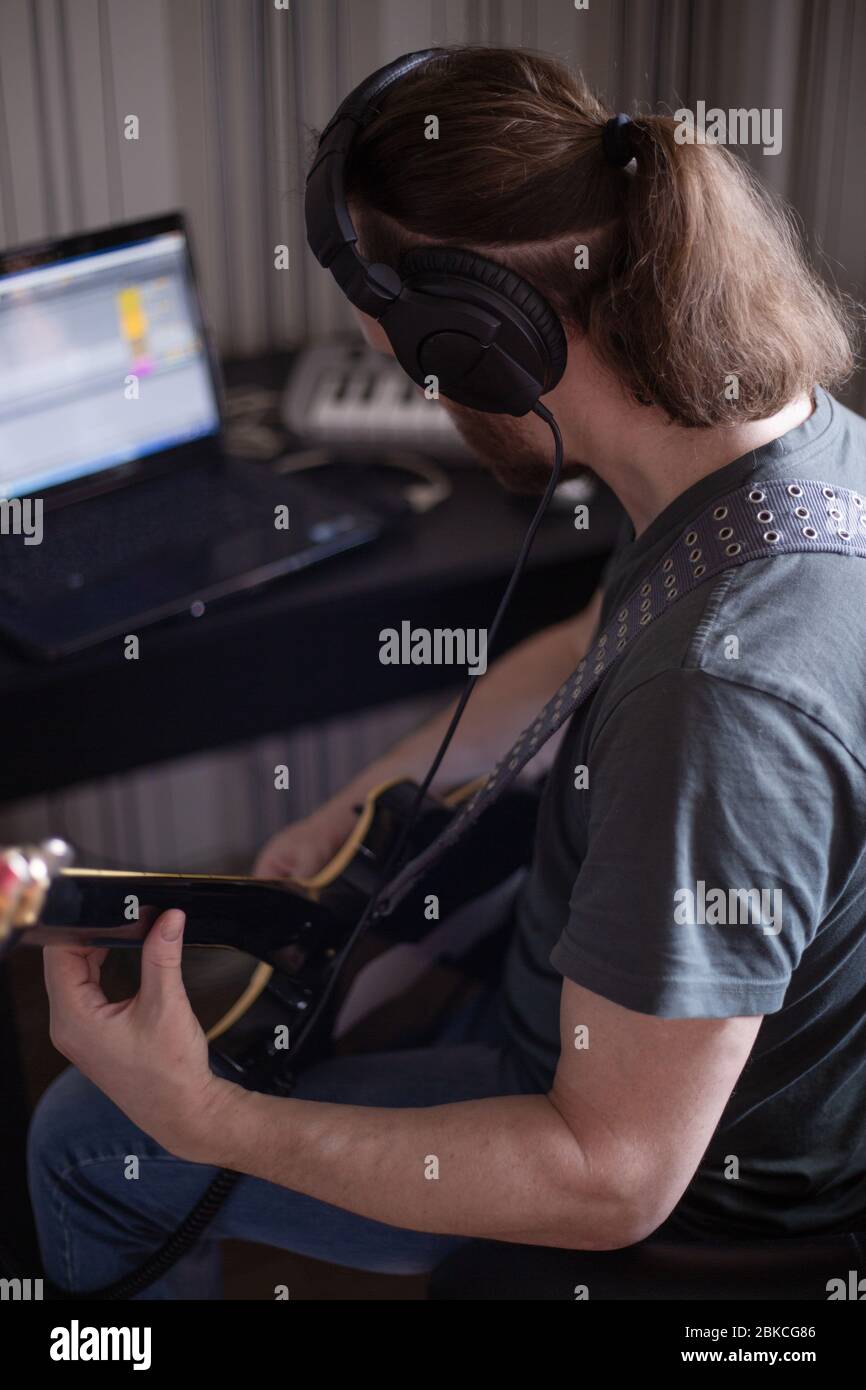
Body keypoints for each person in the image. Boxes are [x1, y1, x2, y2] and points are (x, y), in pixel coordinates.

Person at [28, 46, 866, 1299]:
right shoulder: (757, 445)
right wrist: (363, 794)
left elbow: (610, 1173)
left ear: (470, 335)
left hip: (669, 1172)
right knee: (367, 924)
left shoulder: (722, 704)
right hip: (622, 997)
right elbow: (594, 646)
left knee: (87, 1139)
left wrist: (201, 1121)